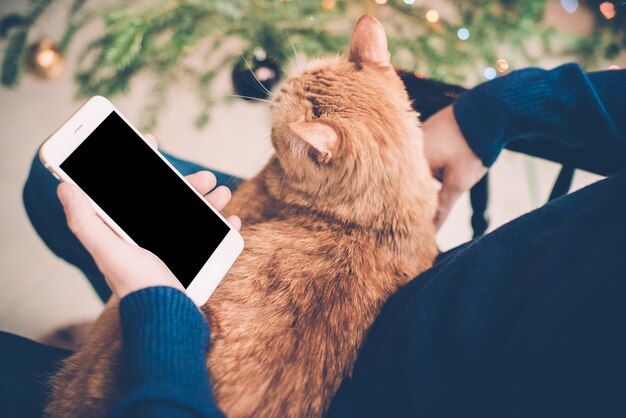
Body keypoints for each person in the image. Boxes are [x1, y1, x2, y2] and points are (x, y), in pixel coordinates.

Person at [1, 62, 625, 417]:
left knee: (72, 192)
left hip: (276, 392)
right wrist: (498, 108)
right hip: (405, 268)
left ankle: (117, 333)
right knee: (47, 182)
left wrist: (155, 316)